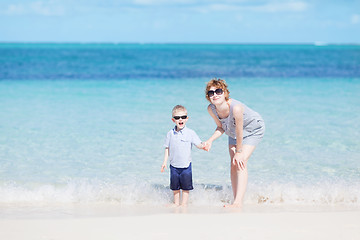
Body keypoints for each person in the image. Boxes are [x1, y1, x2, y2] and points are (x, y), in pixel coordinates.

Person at [203, 78, 265, 208]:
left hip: (253, 129)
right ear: (208, 97)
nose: (215, 95)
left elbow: (239, 131)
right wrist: (210, 141)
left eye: (218, 91)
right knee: (233, 164)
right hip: (233, 131)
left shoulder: (236, 108)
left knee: (240, 161)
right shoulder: (211, 109)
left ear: (225, 93)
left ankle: (238, 203)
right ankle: (235, 199)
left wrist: (239, 151)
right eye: (211, 93)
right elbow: (221, 128)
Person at [161, 105, 205, 207]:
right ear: (173, 120)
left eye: (183, 117)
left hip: (186, 165)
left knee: (186, 187)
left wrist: (204, 146)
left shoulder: (190, 133)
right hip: (174, 165)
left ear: (187, 118)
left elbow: (198, 144)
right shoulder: (170, 134)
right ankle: (176, 203)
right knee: (175, 187)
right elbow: (167, 148)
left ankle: (184, 204)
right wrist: (164, 162)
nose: (180, 119)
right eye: (177, 118)